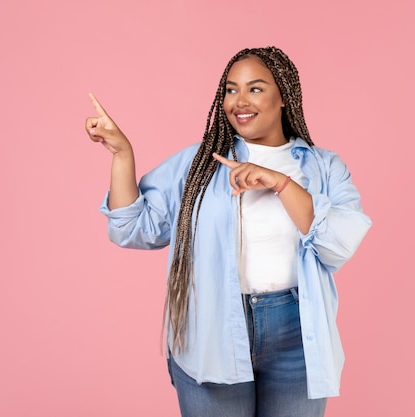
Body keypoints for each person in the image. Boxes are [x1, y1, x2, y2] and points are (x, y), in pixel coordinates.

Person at [85, 46, 371, 417]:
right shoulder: (199, 163)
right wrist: (122, 154)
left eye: (255, 88)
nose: (239, 101)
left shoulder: (324, 167)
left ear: (283, 95)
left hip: (297, 334)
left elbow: (338, 246)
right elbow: (131, 228)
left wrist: (282, 184)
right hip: (212, 328)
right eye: (230, 90)